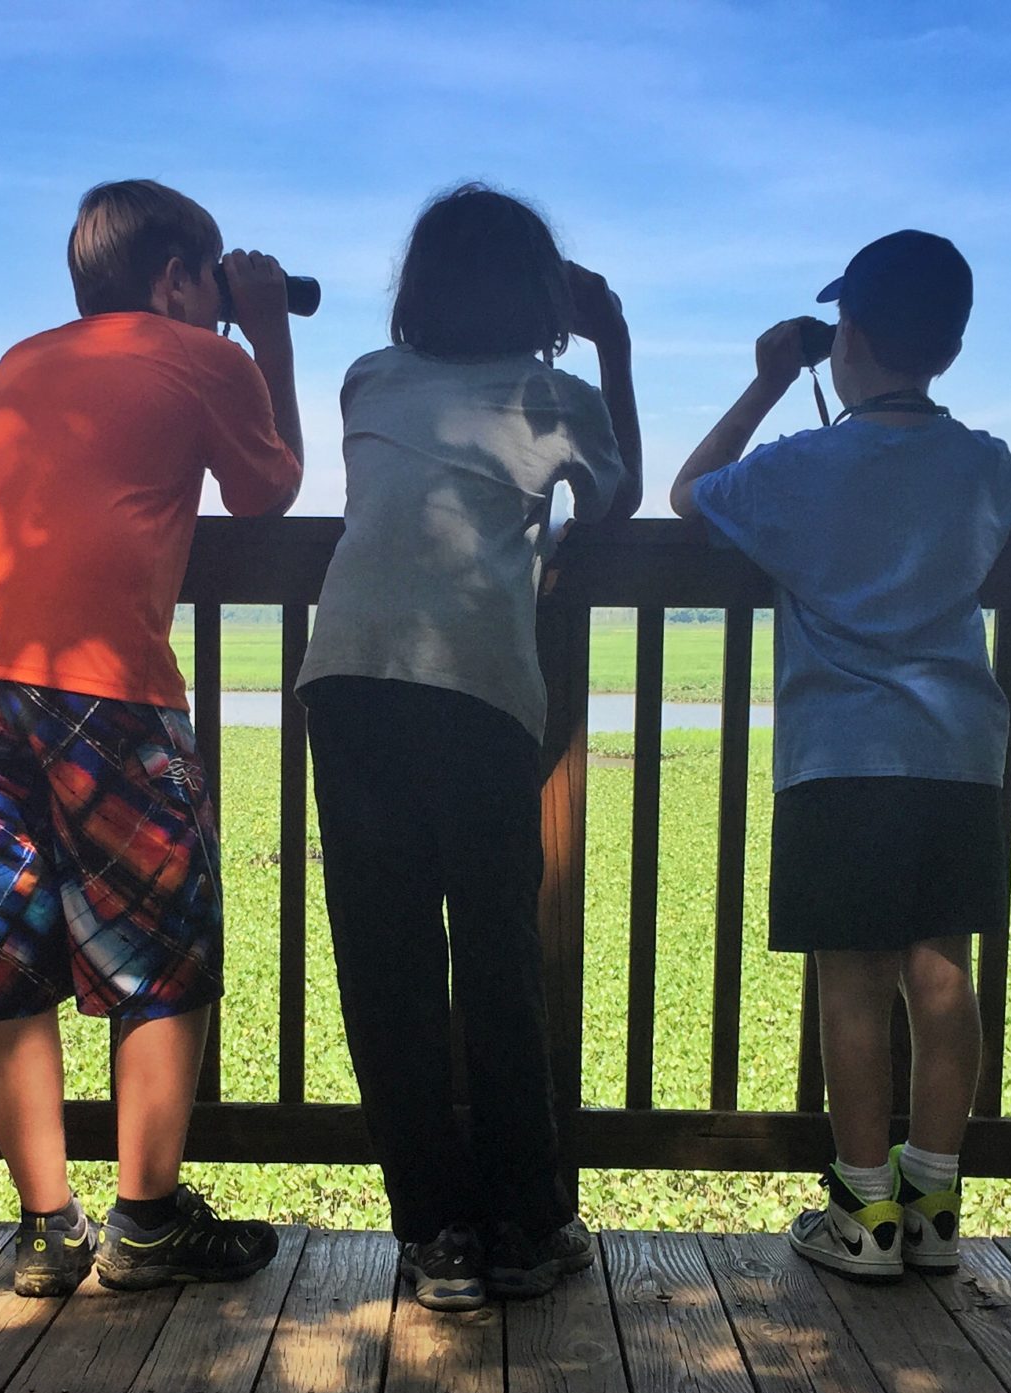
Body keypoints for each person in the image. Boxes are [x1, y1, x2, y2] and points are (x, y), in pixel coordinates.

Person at [0, 178, 302, 1299]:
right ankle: (146, 1221)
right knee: (163, 941)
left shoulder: (22, 360)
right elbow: (269, 491)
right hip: (96, 681)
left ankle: (43, 1229)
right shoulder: (206, 354)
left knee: (4, 945)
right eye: (213, 284)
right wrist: (266, 331)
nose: (221, 306)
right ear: (177, 277)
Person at [295, 184, 639, 1313]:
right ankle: (526, 1225)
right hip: (477, 688)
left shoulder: (370, 380)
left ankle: (434, 1235)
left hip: (346, 678)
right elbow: (617, 501)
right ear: (544, 294)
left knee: (382, 956)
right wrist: (616, 344)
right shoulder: (559, 397)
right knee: (494, 953)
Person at [674, 231, 1011, 1282]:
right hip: (957, 751)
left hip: (839, 756)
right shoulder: (985, 460)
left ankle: (862, 1211)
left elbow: (690, 491)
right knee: (940, 971)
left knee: (851, 984)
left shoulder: (803, 464)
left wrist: (762, 384)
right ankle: (932, 1202)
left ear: (849, 340)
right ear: (950, 350)